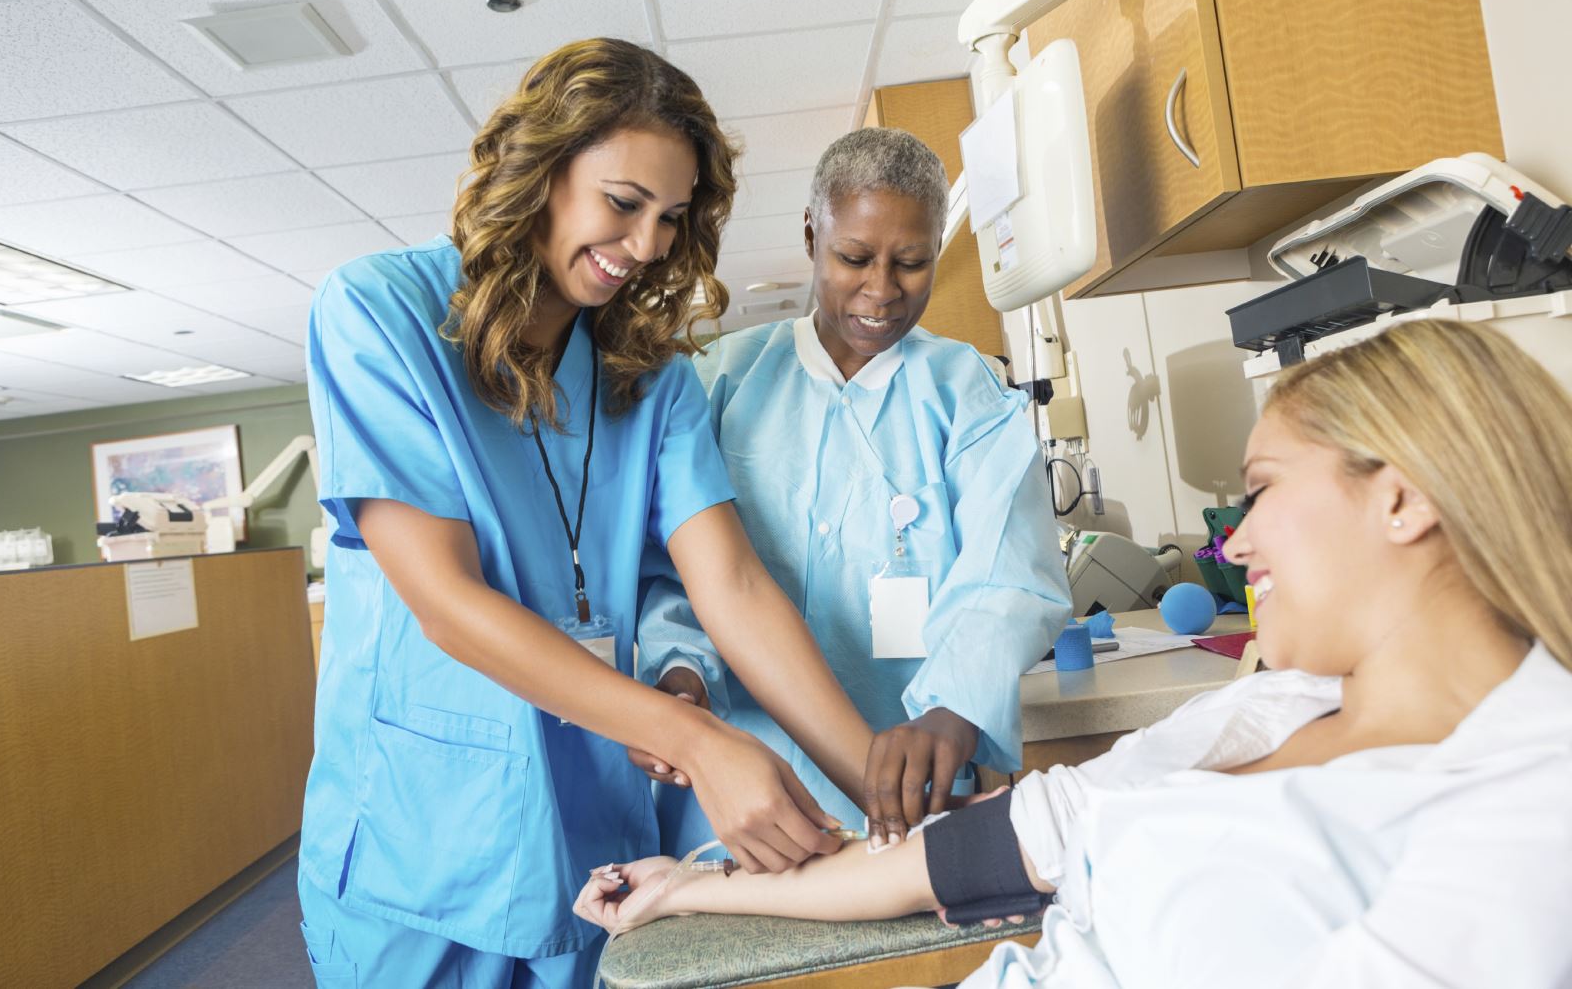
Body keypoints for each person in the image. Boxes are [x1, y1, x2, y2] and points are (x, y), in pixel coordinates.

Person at [579, 318, 1572, 989]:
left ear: (1401, 496)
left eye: (1261, 489)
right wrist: (692, 884)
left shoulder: (1532, 795)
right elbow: (981, 845)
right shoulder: (1271, 710)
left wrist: (951, 702)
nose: (1236, 541)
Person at [298, 38, 882, 988]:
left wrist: (884, 801)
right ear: (541, 170)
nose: (648, 245)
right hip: (426, 836)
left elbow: (730, 583)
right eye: (623, 203)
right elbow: (444, 600)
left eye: (671, 217)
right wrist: (698, 741)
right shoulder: (378, 315)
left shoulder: (651, 379)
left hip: (594, 831)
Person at [634, 127, 1070, 853]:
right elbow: (668, 570)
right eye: (854, 257)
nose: (881, 290)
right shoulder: (717, 385)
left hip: (920, 780)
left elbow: (1010, 577)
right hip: (741, 790)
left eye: (911, 262)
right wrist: (679, 670)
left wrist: (952, 707)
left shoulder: (968, 396)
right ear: (813, 235)